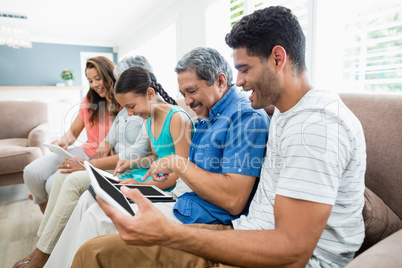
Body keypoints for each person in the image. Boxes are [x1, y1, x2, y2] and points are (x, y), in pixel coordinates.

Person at [72, 6, 367, 268]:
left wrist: (171, 233)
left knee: (97, 252)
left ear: (278, 59)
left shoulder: (315, 125)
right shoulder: (284, 114)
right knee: (95, 251)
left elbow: (291, 251)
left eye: (244, 69)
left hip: (266, 251)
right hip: (246, 233)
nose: (238, 81)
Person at [46, 47, 269, 267]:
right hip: (183, 199)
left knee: (99, 217)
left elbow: (233, 201)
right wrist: (162, 170)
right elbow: (188, 168)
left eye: (192, 91)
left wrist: (175, 166)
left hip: (198, 212)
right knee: (94, 202)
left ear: (220, 82)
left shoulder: (243, 117)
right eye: (183, 94)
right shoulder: (209, 114)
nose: (188, 101)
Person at [11, 56, 155, 268]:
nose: (128, 109)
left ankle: (43, 254)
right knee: (59, 176)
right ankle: (43, 244)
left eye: (99, 78)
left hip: (122, 171)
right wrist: (105, 142)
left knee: (69, 181)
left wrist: (88, 164)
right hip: (113, 165)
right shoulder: (126, 109)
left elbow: (138, 155)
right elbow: (111, 138)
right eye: (90, 80)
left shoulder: (146, 112)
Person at [23, 56, 120, 213]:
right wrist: (64, 142)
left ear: (109, 75)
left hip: (104, 158)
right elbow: (74, 131)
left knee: (51, 183)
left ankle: (51, 218)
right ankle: (44, 205)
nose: (94, 84)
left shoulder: (124, 100)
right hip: (86, 150)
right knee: (31, 172)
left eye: (98, 78)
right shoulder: (90, 99)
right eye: (90, 80)